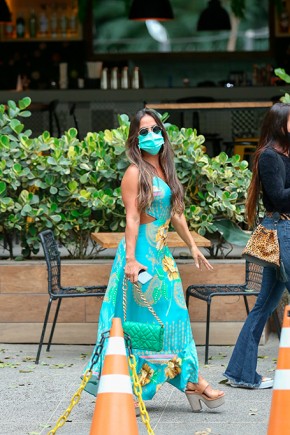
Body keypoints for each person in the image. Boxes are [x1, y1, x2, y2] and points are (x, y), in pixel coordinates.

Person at [83, 108, 225, 411]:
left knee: (176, 319)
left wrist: (193, 246)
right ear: (135, 139)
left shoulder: (165, 169)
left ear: (163, 133)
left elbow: (176, 215)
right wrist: (132, 261)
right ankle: (135, 388)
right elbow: (132, 218)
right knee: (142, 322)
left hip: (162, 257)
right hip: (141, 258)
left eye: (155, 129)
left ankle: (189, 379)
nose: (151, 136)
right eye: (144, 132)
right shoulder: (135, 172)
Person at [224, 102, 290, 389]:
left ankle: (240, 373)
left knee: (264, 305)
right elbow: (279, 197)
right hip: (281, 230)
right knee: (263, 306)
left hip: (285, 229)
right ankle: (241, 373)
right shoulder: (269, 157)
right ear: (280, 125)